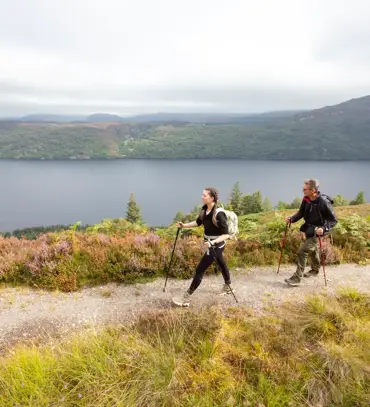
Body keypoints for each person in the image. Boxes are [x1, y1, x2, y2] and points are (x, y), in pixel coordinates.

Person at [172, 187, 234, 307]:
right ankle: (228, 286)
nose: (202, 197)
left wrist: (212, 243)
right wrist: (184, 226)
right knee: (221, 263)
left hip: (216, 245)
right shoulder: (204, 209)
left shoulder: (219, 214)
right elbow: (198, 222)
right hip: (209, 243)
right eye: (202, 195)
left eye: (204, 195)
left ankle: (186, 297)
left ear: (212, 198)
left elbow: (226, 234)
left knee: (200, 270)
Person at [284, 179, 337, 286]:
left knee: (302, 252)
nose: (302, 190)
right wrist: (292, 219)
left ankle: (297, 278)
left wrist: (324, 228)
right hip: (309, 228)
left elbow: (333, 220)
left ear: (313, 190)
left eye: (305, 189)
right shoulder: (306, 198)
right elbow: (301, 212)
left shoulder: (323, 202)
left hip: (318, 231)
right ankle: (315, 270)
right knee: (313, 250)